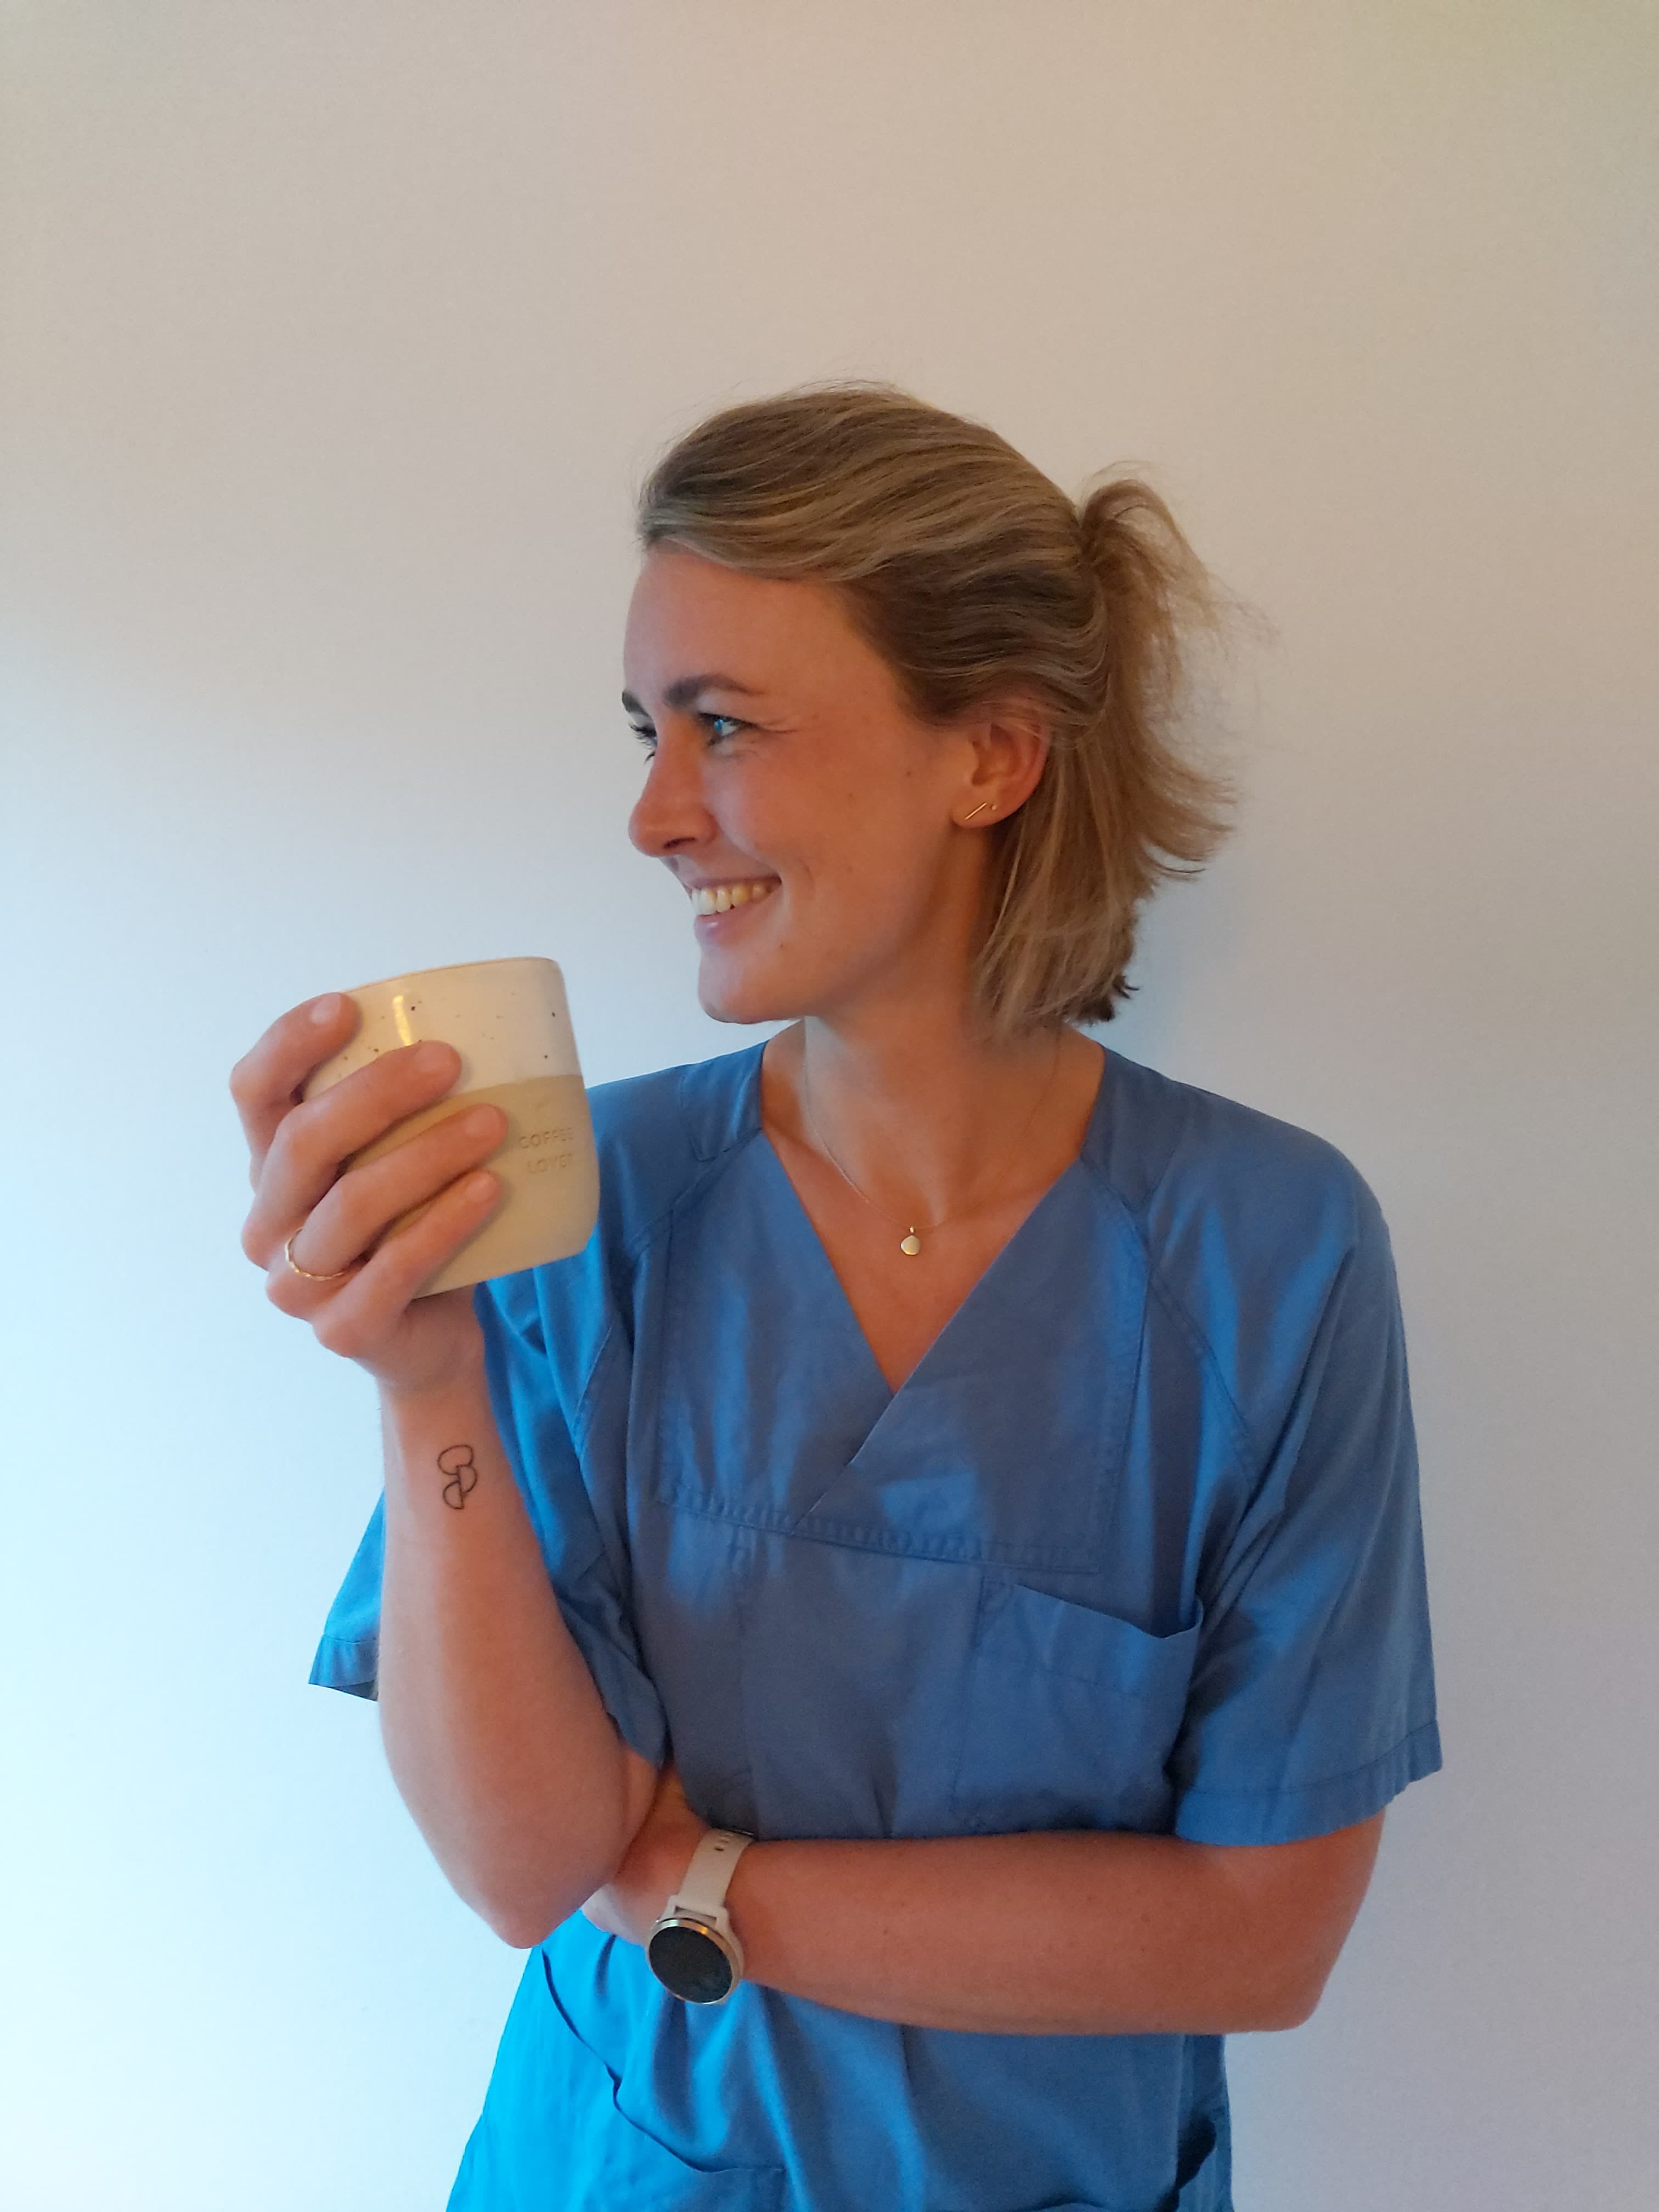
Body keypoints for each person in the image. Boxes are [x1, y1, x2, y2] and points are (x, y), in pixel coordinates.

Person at [232, 383, 1442, 2212]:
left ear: (993, 756)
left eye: (723, 726)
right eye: (645, 731)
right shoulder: (581, 1199)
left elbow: (1261, 1935)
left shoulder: (1273, 1255)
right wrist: (424, 1386)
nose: (654, 813)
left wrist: (697, 1886)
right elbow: (524, 1865)